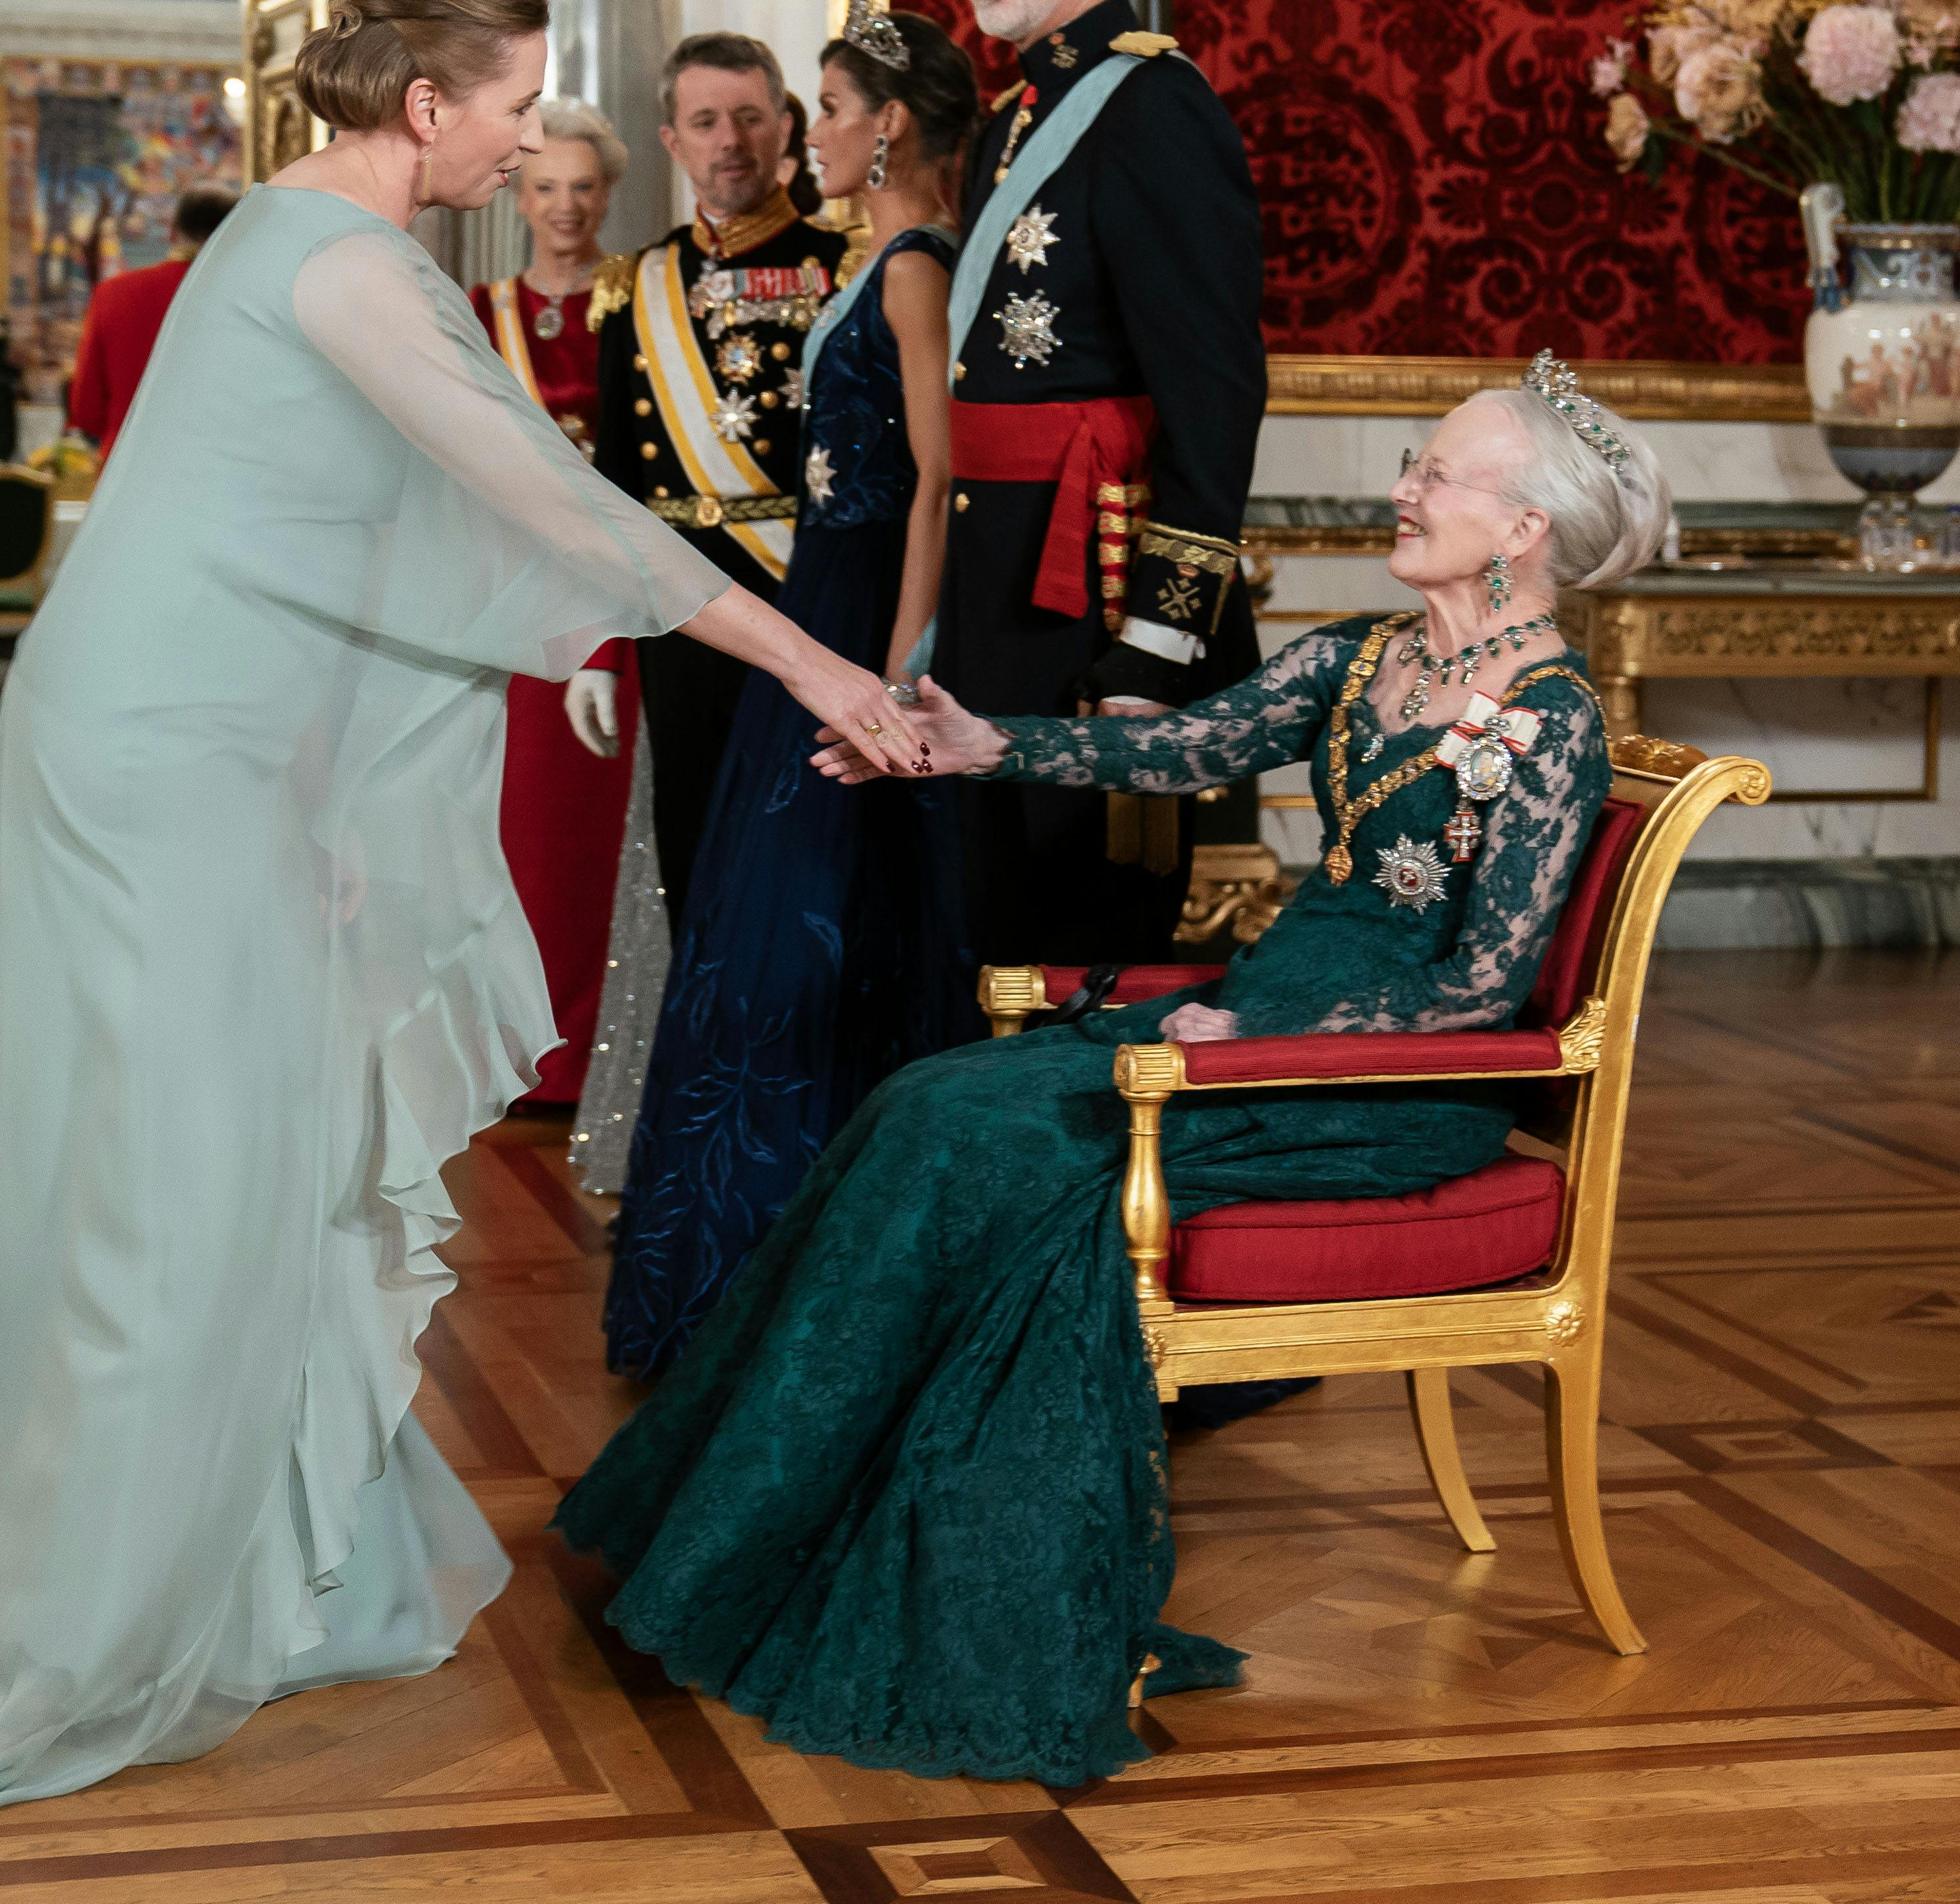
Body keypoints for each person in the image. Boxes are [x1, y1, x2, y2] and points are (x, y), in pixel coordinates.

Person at [0, 0, 926, 1835]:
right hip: (158, 751)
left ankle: (254, 1553)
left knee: (233, 1140)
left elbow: (318, 536)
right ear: (427, 105)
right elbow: (545, 497)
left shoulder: (298, 242)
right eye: (512, 106)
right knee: (170, 1167)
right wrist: (826, 668)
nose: (526, 141)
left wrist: (336, 806)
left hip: (204, 741)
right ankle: (77, 1603)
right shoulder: (341, 265)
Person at [558, 361, 1673, 1785]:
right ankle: (755, 1532)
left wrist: (1262, 1046)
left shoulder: (1552, 719)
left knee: (1003, 1152)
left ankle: (962, 1598)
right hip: (1239, 1036)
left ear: (1522, 527)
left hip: (1376, 1084)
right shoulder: (1363, 658)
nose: (1404, 484)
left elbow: (1479, 983)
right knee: (925, 1102)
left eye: (1436, 471)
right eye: (1414, 459)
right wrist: (971, 745)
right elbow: (1185, 744)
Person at [603, 0, 973, 1377]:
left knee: (820, 940)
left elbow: (942, 476)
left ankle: (827, 1262)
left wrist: (901, 667)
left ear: (883, 127)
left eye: (817, 107)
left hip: (855, 611)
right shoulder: (863, 261)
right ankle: (752, 1265)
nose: (793, 134)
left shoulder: (908, 264)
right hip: (801, 603)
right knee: (749, 943)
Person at [940, 0, 1266, 968]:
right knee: (997, 934)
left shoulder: (1154, 111)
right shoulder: (1012, 117)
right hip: (997, 598)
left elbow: (1215, 396)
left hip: (1095, 610)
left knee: (1081, 950)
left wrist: (1158, 646)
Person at [581, 34, 857, 929]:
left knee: (812, 862)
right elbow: (613, 488)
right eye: (705, 121)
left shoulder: (842, 267)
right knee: (695, 863)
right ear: (672, 139)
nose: (729, 140)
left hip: (807, 600)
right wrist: (596, 646)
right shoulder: (635, 286)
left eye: (748, 117)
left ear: (786, 125)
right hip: (682, 619)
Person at [469, 99, 636, 1104]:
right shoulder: (482, 311)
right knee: (527, 832)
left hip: (627, 597)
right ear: (518, 198)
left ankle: (611, 1055)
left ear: (607, 193)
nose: (565, 207)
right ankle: (532, 1053)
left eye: (583, 188)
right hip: (525, 601)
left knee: (614, 836)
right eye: (546, 188)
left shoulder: (643, 295)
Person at [65, 185, 240, 452]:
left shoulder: (113, 295)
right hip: (219, 470)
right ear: (235, 236)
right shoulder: (246, 301)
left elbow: (87, 413)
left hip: (126, 471)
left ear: (172, 233)